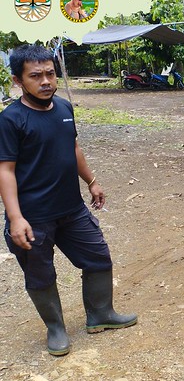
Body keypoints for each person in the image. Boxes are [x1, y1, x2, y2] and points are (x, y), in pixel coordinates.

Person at [0, 44, 137, 357]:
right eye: (36, 76)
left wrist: (91, 181)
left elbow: (72, 147)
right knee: (41, 274)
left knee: (98, 257)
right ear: (18, 81)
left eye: (50, 73)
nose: (46, 81)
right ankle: (56, 328)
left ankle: (101, 314)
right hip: (33, 216)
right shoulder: (11, 120)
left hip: (72, 209)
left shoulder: (63, 108)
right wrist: (16, 217)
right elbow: (5, 171)